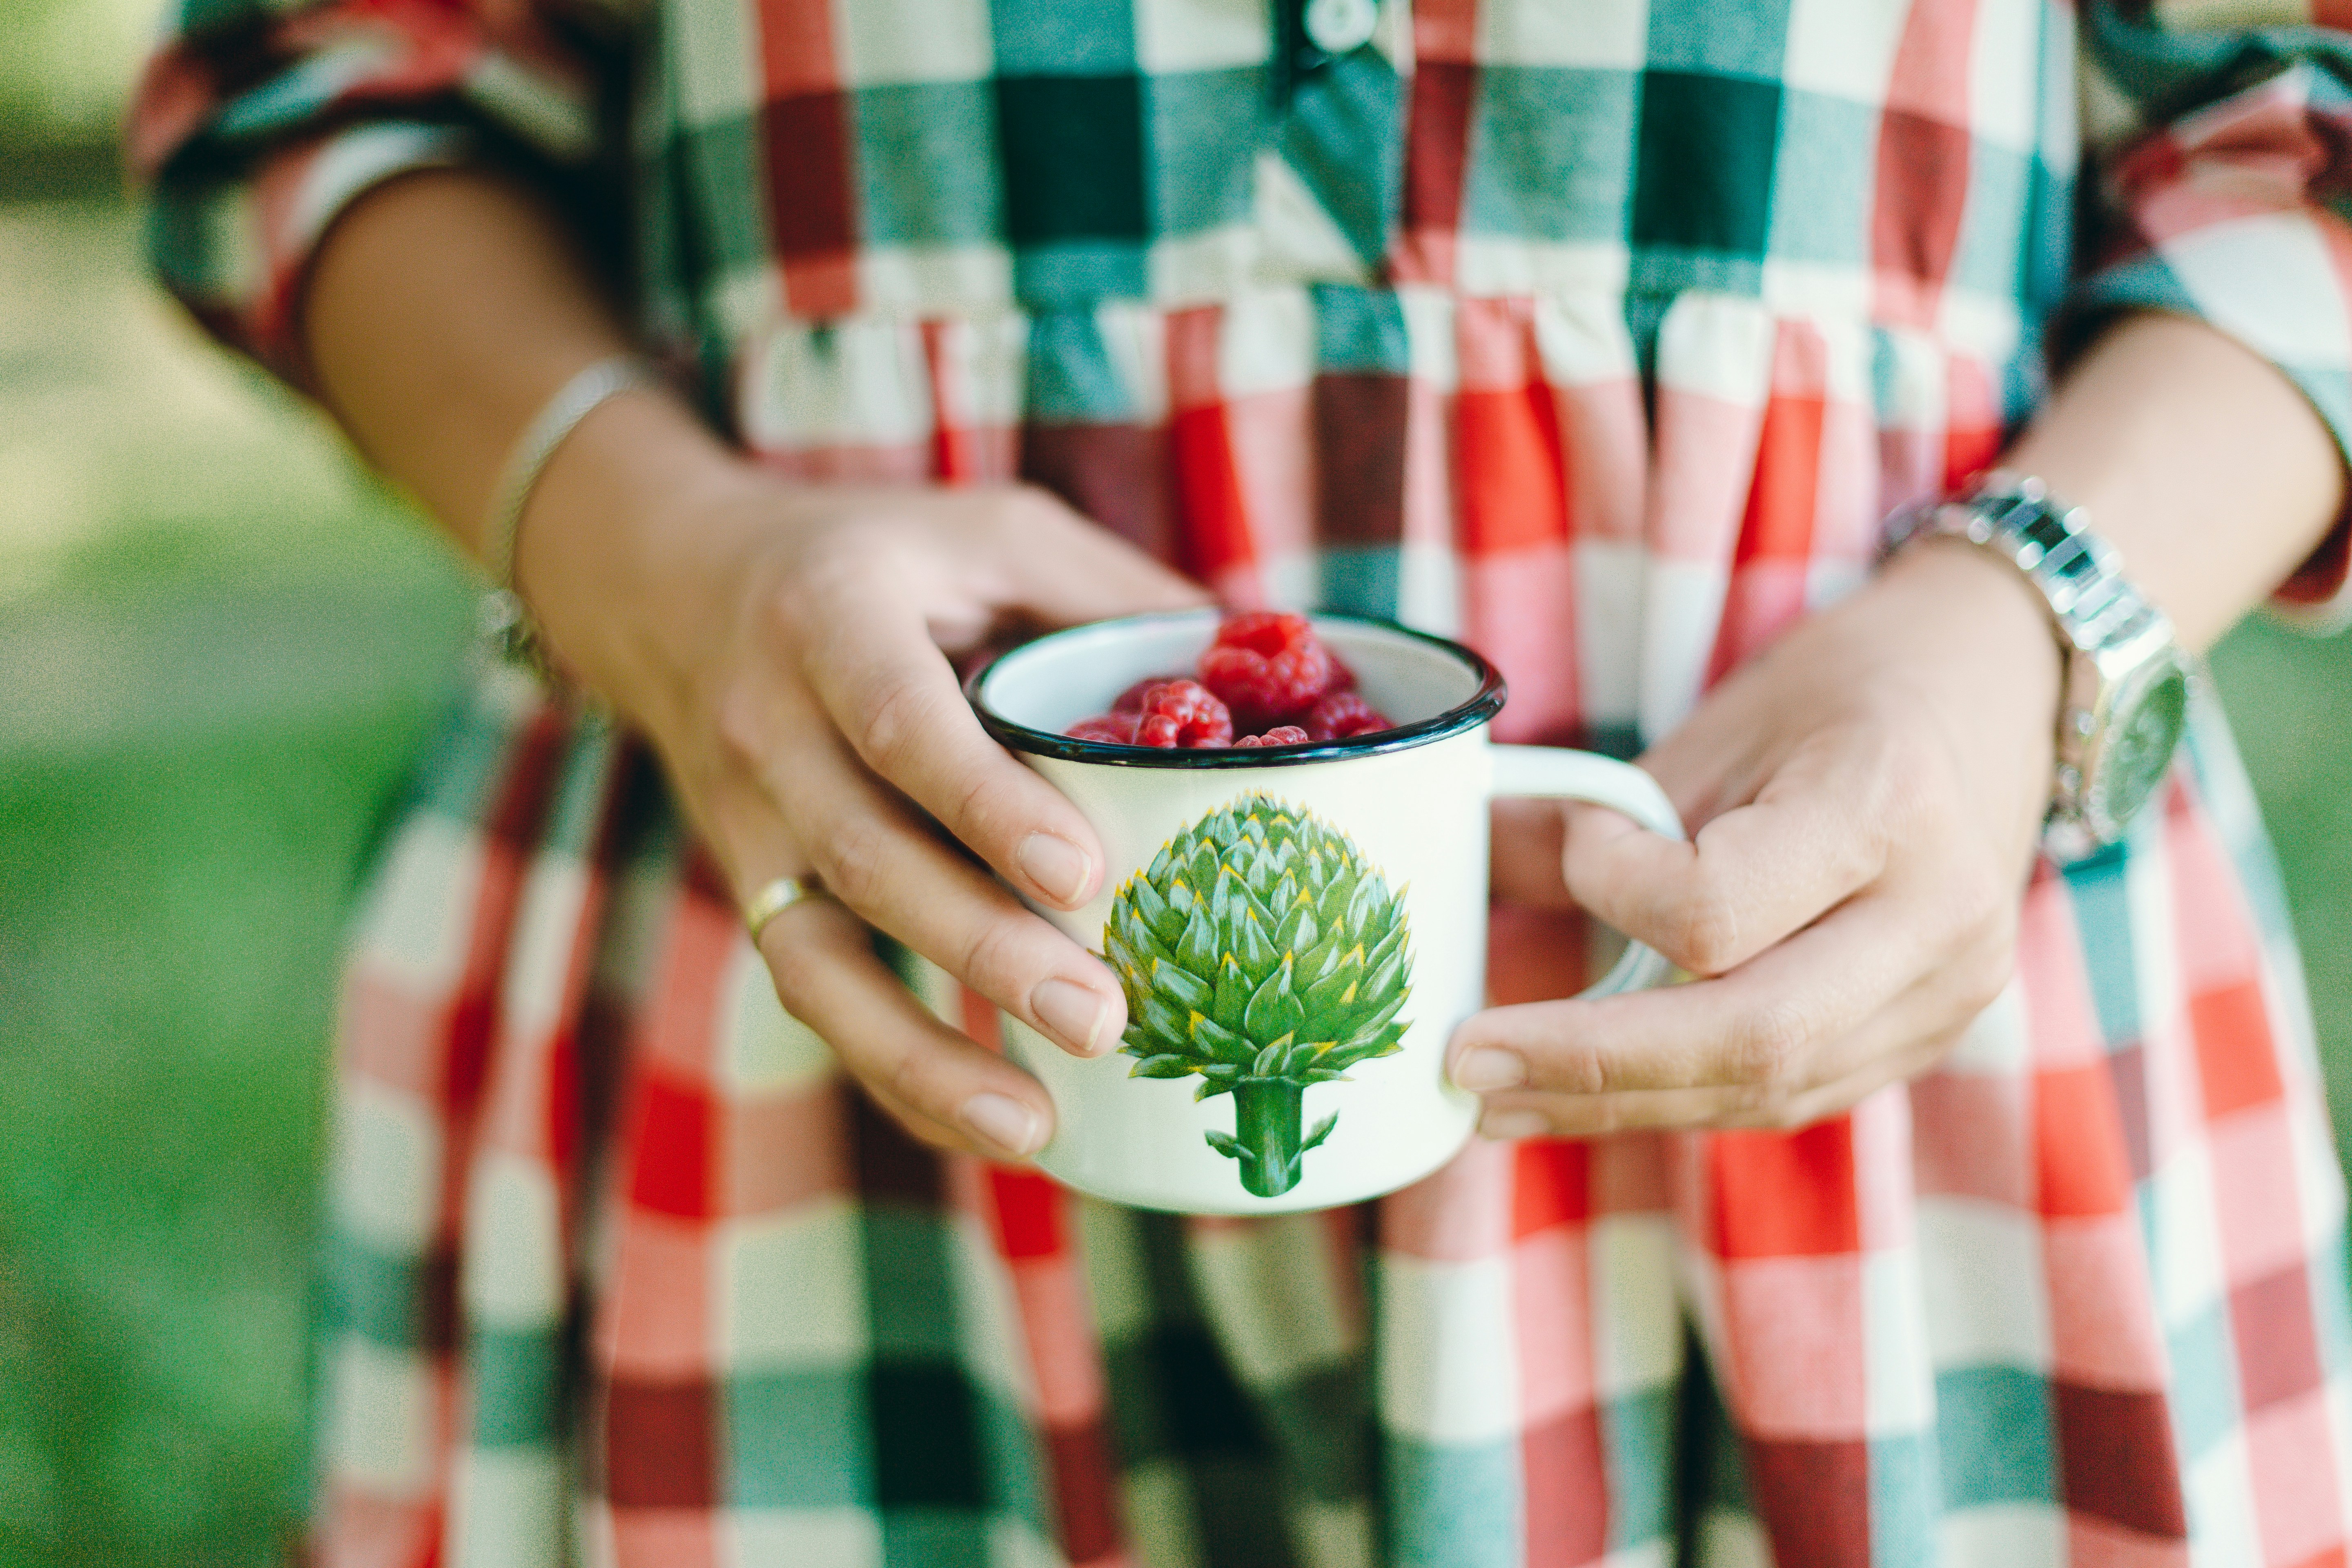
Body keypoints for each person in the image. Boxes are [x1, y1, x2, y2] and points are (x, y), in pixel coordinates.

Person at [132, 0, 2352, 1561]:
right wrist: (666, 559)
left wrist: (2034, 615)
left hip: (1872, 955)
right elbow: (328, 79)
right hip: (835, 955)